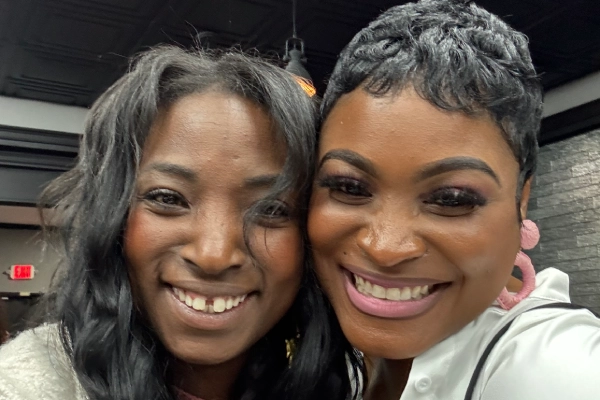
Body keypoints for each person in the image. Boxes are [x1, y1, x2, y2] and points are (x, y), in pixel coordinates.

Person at [0, 46, 359, 400]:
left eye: (270, 209)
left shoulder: (348, 386)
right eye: (168, 198)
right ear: (112, 216)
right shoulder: (27, 384)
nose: (214, 256)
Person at [308, 1, 600, 399]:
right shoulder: (314, 338)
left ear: (521, 200)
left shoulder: (556, 367)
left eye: (451, 199)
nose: (385, 248)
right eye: (350, 187)